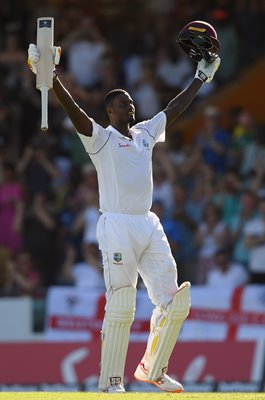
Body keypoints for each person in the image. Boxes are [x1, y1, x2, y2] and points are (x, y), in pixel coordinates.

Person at [28, 42, 220, 393]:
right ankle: (111, 381)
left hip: (148, 223)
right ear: (110, 110)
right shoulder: (100, 138)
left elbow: (173, 109)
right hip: (116, 224)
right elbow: (75, 113)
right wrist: (50, 78)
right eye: (122, 103)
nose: (130, 105)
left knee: (176, 301)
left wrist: (200, 78)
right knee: (122, 303)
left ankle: (154, 368)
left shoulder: (146, 133)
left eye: (131, 102)